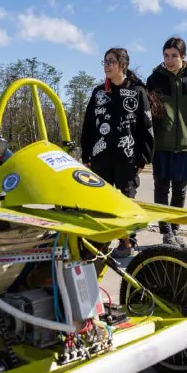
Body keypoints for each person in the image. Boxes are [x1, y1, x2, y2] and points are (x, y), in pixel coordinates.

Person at [80, 47, 154, 258]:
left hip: (127, 157)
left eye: (111, 61)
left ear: (122, 65)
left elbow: (146, 126)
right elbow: (88, 126)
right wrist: (86, 156)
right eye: (104, 61)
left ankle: (126, 243)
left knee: (126, 200)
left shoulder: (137, 92)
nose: (106, 65)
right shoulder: (98, 92)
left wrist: (143, 157)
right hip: (100, 157)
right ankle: (99, 242)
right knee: (100, 201)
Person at [145, 36, 187, 249]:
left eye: (174, 55)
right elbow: (147, 117)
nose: (169, 60)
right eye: (166, 55)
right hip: (161, 144)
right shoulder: (154, 79)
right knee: (161, 188)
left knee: (180, 190)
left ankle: (175, 230)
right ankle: (166, 234)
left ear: (183, 56)